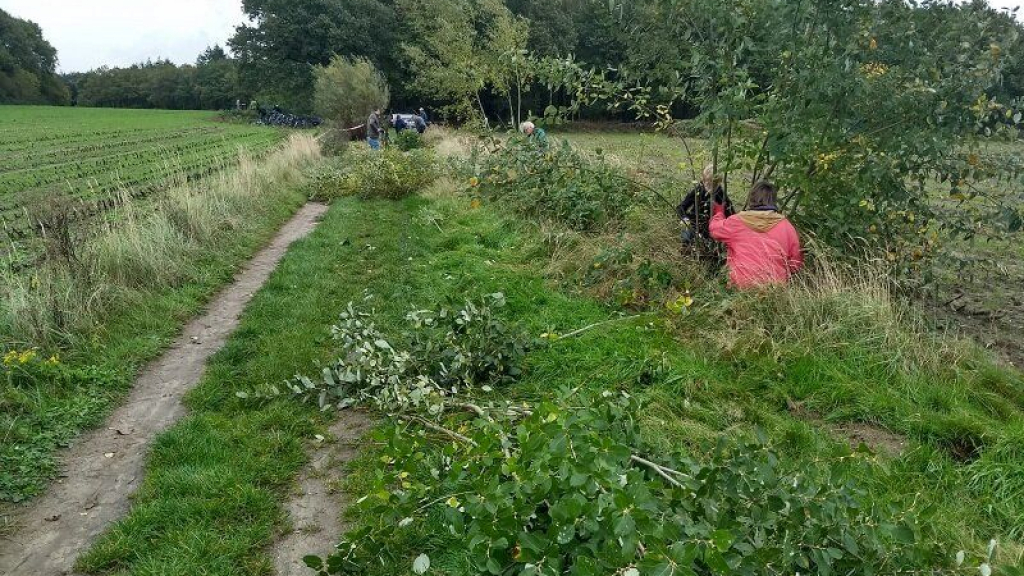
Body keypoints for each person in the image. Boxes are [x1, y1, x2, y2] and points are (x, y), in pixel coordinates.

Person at [709, 181, 803, 289]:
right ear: (773, 200)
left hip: (741, 287)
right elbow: (795, 263)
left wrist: (719, 212)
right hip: (774, 289)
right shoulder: (786, 226)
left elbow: (714, 229)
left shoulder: (737, 221)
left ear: (751, 198)